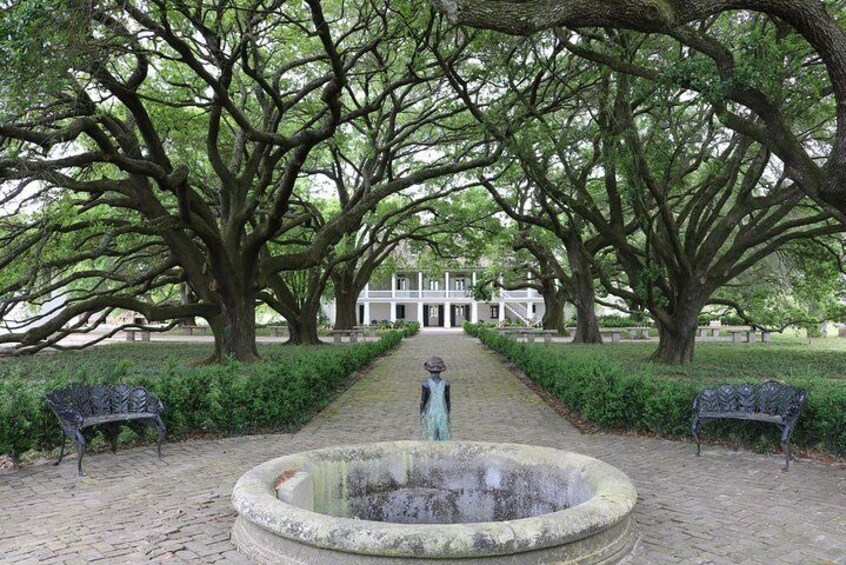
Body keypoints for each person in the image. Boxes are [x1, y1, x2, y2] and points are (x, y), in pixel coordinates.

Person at [420, 356, 451, 441]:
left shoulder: (425, 384)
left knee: (431, 435)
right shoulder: (446, 383)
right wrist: (448, 413)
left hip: (430, 413)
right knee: (443, 437)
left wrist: (421, 413)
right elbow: (448, 401)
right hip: (442, 413)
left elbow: (423, 401)